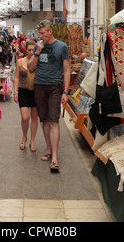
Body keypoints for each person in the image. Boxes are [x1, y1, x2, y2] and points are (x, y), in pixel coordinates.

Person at [28, 20, 71, 172]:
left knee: (54, 120)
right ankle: (48, 149)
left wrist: (65, 92)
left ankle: (55, 158)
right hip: (39, 86)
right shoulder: (38, 46)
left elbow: (66, 69)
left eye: (43, 33)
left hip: (54, 87)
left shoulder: (62, 47)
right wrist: (37, 51)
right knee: (44, 119)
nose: (41, 36)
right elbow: (31, 67)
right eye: (39, 33)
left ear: (50, 31)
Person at [13, 40, 39, 152]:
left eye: (33, 50)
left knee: (34, 117)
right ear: (25, 50)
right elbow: (16, 77)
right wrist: (15, 92)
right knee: (25, 117)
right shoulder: (20, 62)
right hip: (23, 91)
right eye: (29, 50)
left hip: (36, 91)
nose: (31, 52)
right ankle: (24, 136)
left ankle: (32, 140)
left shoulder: (38, 62)